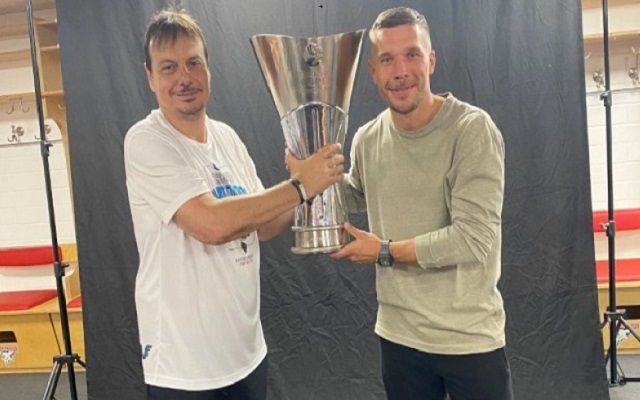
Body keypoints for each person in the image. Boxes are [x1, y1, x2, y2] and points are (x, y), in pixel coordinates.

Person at [123, 8, 343, 400]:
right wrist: (300, 184)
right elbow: (210, 224)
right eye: (169, 67)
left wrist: (313, 185)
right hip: (185, 370)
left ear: (208, 69)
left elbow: (264, 225)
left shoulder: (226, 138)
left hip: (246, 355)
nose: (184, 77)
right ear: (150, 76)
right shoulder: (146, 141)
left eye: (194, 63)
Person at [331, 7, 514, 400]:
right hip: (399, 339)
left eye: (411, 54)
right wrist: (310, 177)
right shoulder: (367, 138)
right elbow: (356, 193)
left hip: (469, 339)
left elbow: (472, 239)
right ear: (373, 72)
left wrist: (383, 251)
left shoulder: (471, 130)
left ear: (430, 60)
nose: (400, 71)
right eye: (387, 59)